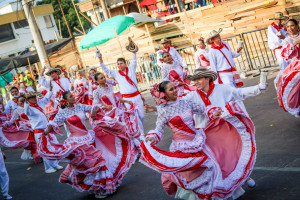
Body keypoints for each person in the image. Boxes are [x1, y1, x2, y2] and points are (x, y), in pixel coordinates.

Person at [140, 81, 256, 200]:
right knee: (195, 173)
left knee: (215, 164)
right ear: (164, 94)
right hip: (182, 147)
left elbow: (203, 110)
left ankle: (223, 193)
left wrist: (213, 112)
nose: (175, 90)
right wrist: (152, 138)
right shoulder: (163, 111)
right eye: (171, 89)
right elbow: (159, 130)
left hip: (198, 141)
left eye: (175, 88)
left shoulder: (185, 102)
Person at [39, 90, 140, 198]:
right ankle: (96, 187)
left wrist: (100, 110)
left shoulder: (80, 106)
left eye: (73, 96)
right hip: (77, 142)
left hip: (89, 138)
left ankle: (98, 187)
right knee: (89, 164)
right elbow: (53, 123)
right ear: (65, 100)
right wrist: (46, 132)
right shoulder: (62, 112)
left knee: (95, 163)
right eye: (70, 97)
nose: (73, 97)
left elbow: (93, 107)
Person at [96, 40, 145, 134]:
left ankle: (140, 131)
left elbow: (134, 60)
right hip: (127, 99)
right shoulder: (116, 73)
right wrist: (100, 59)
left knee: (141, 116)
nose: (119, 65)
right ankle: (140, 134)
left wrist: (133, 50)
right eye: (118, 64)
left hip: (137, 96)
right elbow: (106, 70)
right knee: (134, 117)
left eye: (121, 63)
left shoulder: (131, 68)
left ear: (125, 63)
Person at [24, 85, 63, 173]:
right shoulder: (29, 108)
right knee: (44, 149)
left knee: (54, 145)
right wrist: (26, 102)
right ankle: (48, 167)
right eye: (31, 98)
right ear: (28, 100)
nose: (34, 99)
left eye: (34, 97)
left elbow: (46, 98)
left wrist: (50, 90)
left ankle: (55, 164)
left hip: (47, 130)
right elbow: (26, 111)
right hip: (39, 132)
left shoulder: (39, 103)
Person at [0, 96, 41, 163]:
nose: (22, 102)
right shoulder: (17, 110)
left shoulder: (31, 107)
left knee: (40, 142)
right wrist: (4, 125)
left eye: (23, 100)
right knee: (33, 144)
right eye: (20, 101)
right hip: (27, 130)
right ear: (17, 102)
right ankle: (38, 157)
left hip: (36, 126)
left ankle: (43, 156)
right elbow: (11, 121)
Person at [268, 12, 290, 87]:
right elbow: (276, 39)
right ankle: (277, 82)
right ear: (275, 19)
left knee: (287, 65)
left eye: (281, 19)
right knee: (283, 66)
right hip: (278, 48)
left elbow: (286, 36)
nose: (280, 21)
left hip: (284, 47)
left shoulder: (282, 27)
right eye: (279, 19)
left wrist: (284, 38)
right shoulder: (271, 27)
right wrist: (284, 40)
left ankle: (284, 82)